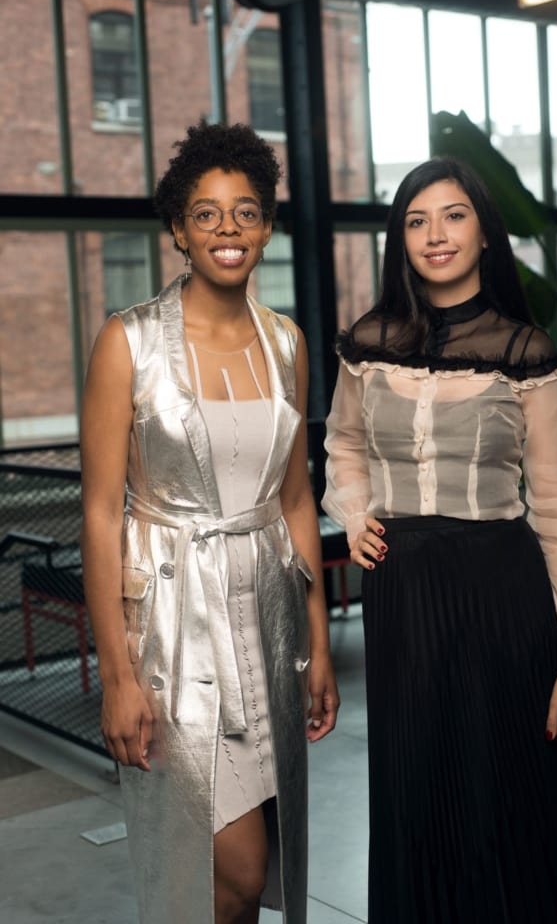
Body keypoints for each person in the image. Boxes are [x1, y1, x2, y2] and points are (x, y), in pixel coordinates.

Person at [322, 157, 557, 923]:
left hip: (502, 595)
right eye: (415, 221)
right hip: (404, 595)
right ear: (399, 239)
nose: (434, 235)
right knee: (418, 792)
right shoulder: (367, 342)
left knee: (515, 795)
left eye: (452, 215)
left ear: (483, 231)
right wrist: (355, 516)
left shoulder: (524, 352)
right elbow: (343, 447)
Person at [80, 120, 339, 924]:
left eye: (246, 211)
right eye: (206, 213)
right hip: (171, 627)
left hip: (266, 625)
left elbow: (296, 499)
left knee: (247, 868)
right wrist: (117, 678)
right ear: (177, 231)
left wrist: (318, 643)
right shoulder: (128, 343)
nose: (228, 229)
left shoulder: (286, 343)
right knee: (233, 864)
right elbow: (97, 513)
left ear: (265, 227)